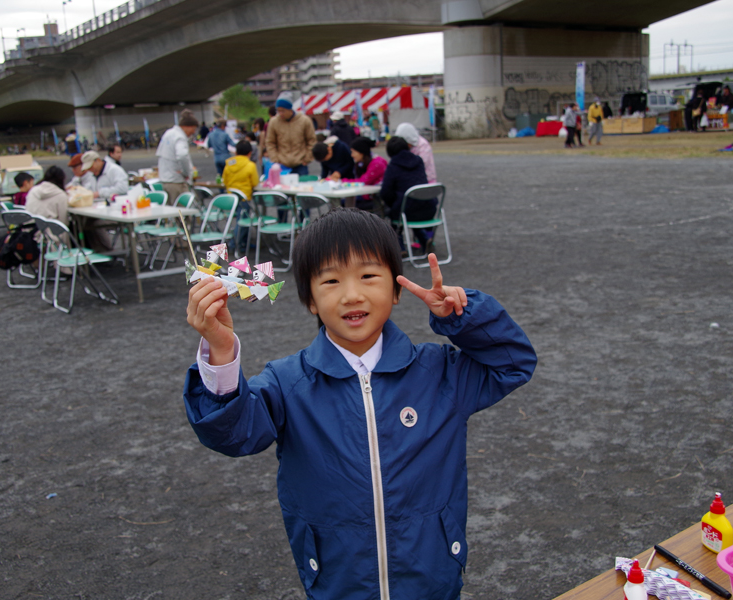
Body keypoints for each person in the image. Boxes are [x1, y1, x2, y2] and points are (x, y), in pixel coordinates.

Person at [183, 208, 536, 600]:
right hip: (339, 582)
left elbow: (513, 364)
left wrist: (464, 316)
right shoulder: (288, 384)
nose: (352, 294)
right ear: (310, 300)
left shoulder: (440, 374)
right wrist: (220, 348)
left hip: (433, 578)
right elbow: (233, 434)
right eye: (331, 280)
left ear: (397, 289)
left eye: (369, 276)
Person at [381, 136, 435, 250]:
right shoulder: (418, 161)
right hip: (428, 208)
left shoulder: (393, 166)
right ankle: (425, 241)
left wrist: (393, 202)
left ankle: (400, 248)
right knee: (410, 206)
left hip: (406, 212)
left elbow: (386, 192)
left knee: (397, 214)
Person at [330, 136, 387, 212]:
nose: (352, 155)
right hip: (366, 196)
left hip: (376, 200)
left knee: (344, 206)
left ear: (361, 152)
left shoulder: (377, 163)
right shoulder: (361, 163)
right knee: (343, 204)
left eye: (353, 152)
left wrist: (341, 181)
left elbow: (362, 182)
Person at [265, 93, 317, 176]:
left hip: (300, 163)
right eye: (278, 111)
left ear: (290, 109)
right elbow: (270, 142)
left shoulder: (304, 120)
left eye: (283, 111)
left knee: (302, 187)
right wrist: (275, 159)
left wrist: (307, 158)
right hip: (281, 163)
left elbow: (311, 140)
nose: (280, 113)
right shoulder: (274, 122)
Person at [156, 110, 198, 204]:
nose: (193, 132)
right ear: (187, 127)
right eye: (193, 129)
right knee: (182, 213)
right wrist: (187, 173)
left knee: (171, 212)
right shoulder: (180, 137)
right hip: (177, 182)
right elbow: (182, 155)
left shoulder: (168, 133)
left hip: (166, 179)